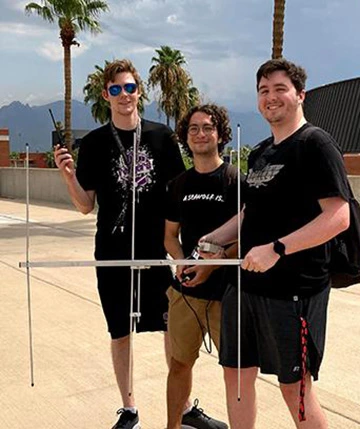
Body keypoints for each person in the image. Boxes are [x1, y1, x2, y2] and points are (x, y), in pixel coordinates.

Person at [201, 58, 350, 429]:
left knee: (294, 389)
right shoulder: (261, 152)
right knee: (235, 376)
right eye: (263, 90)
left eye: (280, 88)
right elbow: (253, 210)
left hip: (294, 292)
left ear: (300, 94)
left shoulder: (315, 144)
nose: (271, 97)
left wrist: (277, 249)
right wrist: (213, 240)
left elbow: (338, 216)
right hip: (245, 288)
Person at [54, 59, 186, 429]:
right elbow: (85, 205)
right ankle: (130, 410)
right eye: (115, 90)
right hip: (111, 254)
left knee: (170, 329)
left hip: (155, 251)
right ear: (105, 95)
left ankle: (184, 403)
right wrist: (68, 175)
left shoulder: (161, 137)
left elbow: (179, 195)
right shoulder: (94, 143)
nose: (123, 95)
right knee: (120, 332)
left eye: (129, 88)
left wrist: (182, 245)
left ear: (139, 91)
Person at [164, 104, 239, 429]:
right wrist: (181, 261)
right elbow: (170, 236)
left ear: (220, 134)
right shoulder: (178, 184)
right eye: (193, 128)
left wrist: (217, 263)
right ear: (186, 137)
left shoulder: (237, 181)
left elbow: (251, 236)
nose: (200, 134)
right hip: (186, 294)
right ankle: (172, 426)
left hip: (228, 294)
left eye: (207, 127)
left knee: (235, 371)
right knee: (179, 364)